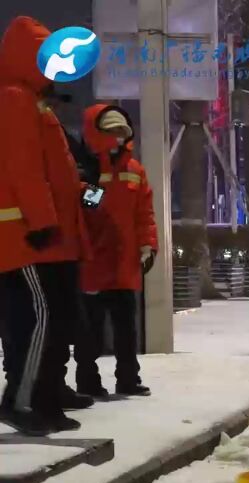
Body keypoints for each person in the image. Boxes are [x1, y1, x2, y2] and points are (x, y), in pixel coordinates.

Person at [0, 17, 89, 436]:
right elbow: (24, 169)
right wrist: (41, 222)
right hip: (23, 236)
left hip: (39, 233)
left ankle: (44, 398)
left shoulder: (30, 99)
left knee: (45, 319)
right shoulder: (15, 99)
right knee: (37, 319)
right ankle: (21, 402)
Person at [74, 105, 157, 398]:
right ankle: (87, 380)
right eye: (111, 132)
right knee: (90, 330)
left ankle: (128, 378)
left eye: (122, 132)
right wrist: (92, 186)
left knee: (126, 328)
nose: (118, 138)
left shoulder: (135, 171)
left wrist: (148, 245)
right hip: (94, 260)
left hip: (124, 261)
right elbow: (85, 212)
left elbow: (144, 213)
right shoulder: (83, 171)